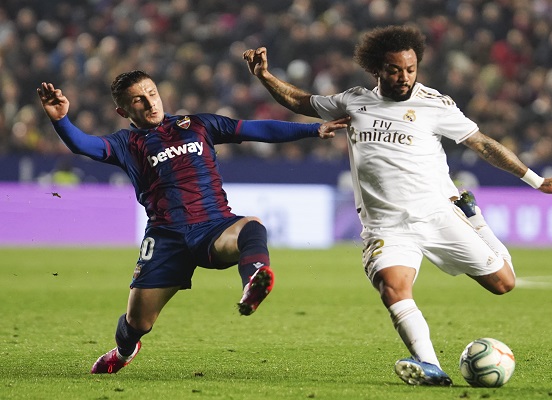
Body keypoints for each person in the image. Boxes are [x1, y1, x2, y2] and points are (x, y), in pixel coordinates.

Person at [243, 25, 552, 386]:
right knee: (392, 286)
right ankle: (430, 366)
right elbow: (301, 101)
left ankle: (475, 220)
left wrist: (536, 180)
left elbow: (483, 144)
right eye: (395, 70)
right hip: (386, 226)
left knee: (504, 283)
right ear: (377, 69)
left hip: (438, 215)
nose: (404, 77)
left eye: (411, 70)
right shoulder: (353, 101)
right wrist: (265, 77)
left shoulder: (435, 104)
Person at [37, 70, 349, 374]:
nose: (150, 102)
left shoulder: (198, 125)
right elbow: (84, 145)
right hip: (165, 239)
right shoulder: (125, 143)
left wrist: (313, 129)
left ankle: (253, 281)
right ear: (123, 111)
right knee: (138, 323)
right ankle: (124, 351)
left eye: (152, 93)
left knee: (251, 225)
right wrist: (61, 119)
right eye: (138, 100)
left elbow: (256, 129)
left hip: (213, 227)